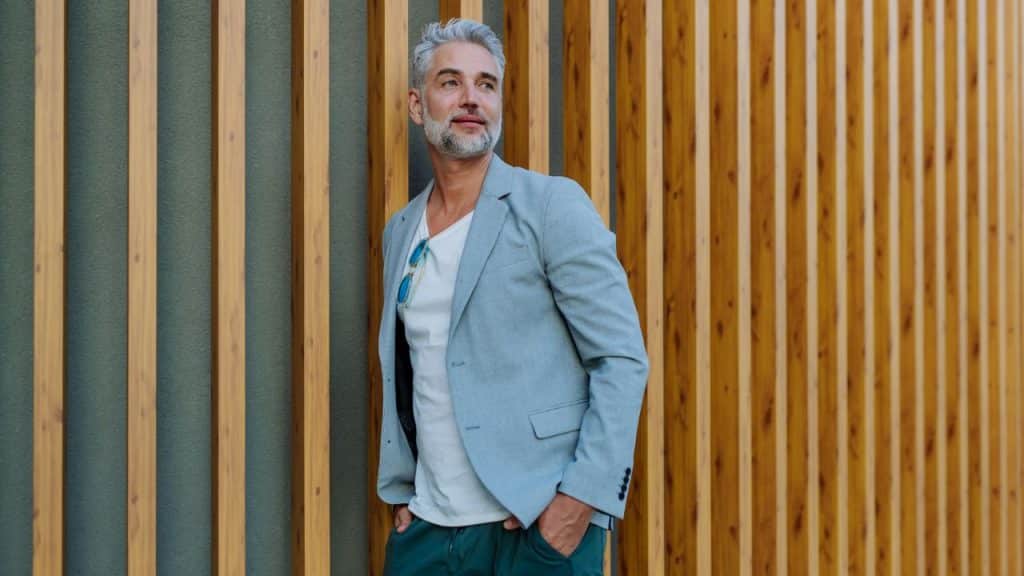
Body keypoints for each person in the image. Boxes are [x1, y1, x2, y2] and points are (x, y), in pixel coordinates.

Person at [376, 18, 648, 575]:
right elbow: (411, 369)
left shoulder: (551, 206)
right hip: (427, 533)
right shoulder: (400, 231)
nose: (471, 98)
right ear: (416, 104)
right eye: (450, 82)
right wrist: (403, 489)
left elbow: (621, 358)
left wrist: (579, 504)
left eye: (487, 84)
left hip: (533, 532)